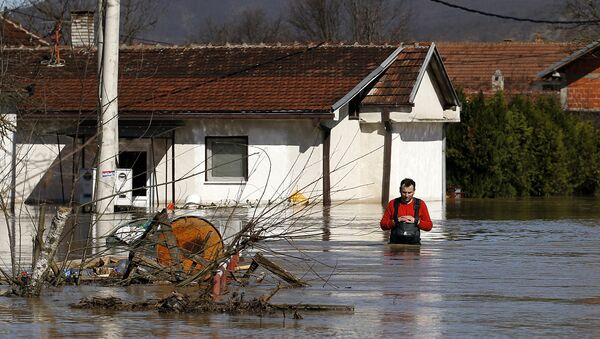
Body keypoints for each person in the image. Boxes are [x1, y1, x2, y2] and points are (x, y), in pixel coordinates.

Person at [380, 178, 432, 244]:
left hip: (414, 247)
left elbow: (429, 226)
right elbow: (383, 225)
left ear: (414, 191)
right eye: (404, 192)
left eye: (409, 193)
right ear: (399, 190)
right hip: (395, 246)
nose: (406, 195)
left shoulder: (421, 204)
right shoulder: (392, 203)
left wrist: (416, 221)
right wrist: (395, 221)